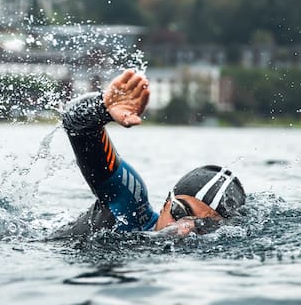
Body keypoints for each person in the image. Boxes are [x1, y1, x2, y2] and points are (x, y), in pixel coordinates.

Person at [55, 69, 246, 239]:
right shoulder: (130, 205)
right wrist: (103, 108)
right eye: (179, 212)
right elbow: (75, 123)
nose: (184, 229)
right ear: (166, 203)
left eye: (204, 226)